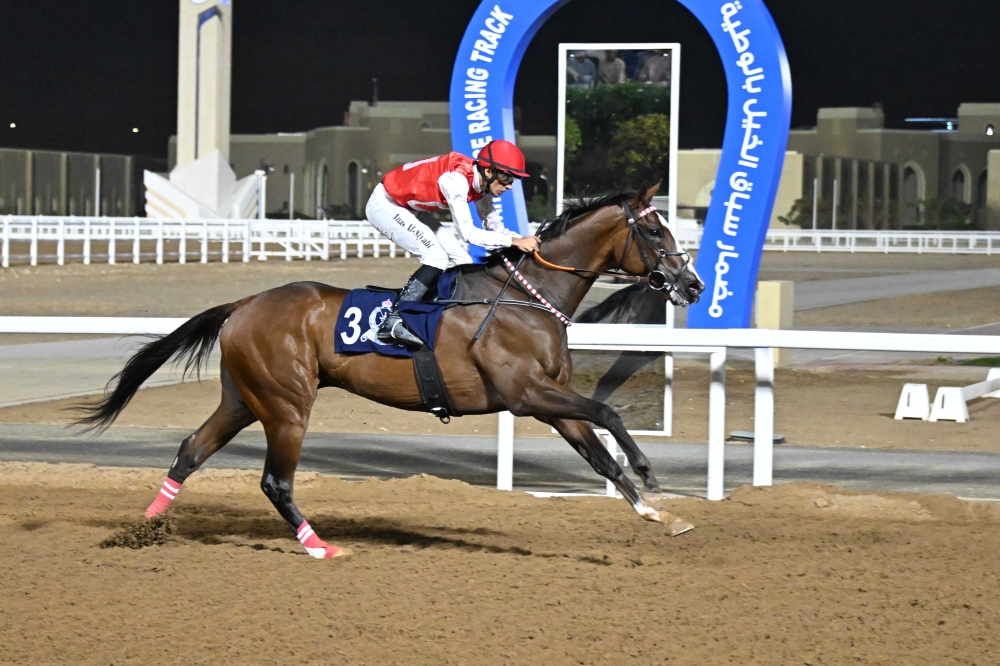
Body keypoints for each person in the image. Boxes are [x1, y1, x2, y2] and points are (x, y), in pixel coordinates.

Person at [365, 140, 541, 348]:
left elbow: (496, 229)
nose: (509, 185)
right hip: (385, 205)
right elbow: (468, 234)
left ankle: (429, 311)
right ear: (488, 171)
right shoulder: (456, 180)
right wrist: (514, 242)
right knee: (436, 258)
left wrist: (527, 240)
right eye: (506, 177)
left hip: (408, 208)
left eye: (513, 179)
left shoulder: (481, 185)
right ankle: (393, 320)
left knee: (462, 261)